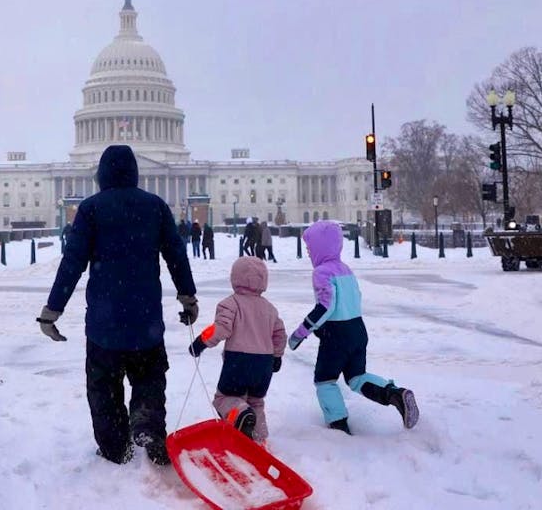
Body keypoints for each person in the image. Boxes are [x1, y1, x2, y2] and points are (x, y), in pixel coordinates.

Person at [36, 145, 198, 466]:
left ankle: (114, 448)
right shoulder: (155, 207)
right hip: (146, 320)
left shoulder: (92, 209)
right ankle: (147, 422)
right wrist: (187, 296)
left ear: (101, 175)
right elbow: (176, 255)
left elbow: (72, 264)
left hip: (103, 323)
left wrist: (52, 310)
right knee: (150, 377)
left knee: (104, 388)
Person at [287, 220, 418, 434]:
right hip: (358, 330)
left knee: (325, 381)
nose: (309, 253)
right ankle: (395, 394)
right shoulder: (345, 269)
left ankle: (338, 425)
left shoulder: (322, 272)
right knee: (356, 377)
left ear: (321, 247)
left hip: (336, 335)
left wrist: (301, 333)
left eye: (310, 248)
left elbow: (326, 306)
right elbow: (356, 297)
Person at [189, 257, 286, 445]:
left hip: (239, 361)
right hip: (264, 365)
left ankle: (241, 414)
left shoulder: (230, 303)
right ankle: (258, 440)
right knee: (256, 401)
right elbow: (280, 334)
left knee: (224, 399)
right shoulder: (270, 309)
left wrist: (200, 342)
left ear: (235, 278)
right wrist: (277, 356)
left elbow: (221, 328)